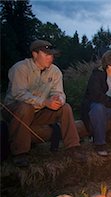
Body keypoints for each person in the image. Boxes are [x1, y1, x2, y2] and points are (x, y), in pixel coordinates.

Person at [3, 39, 85, 167]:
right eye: (46, 54)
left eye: (51, 55)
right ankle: (20, 153)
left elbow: (59, 92)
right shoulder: (20, 68)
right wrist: (45, 102)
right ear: (35, 54)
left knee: (65, 107)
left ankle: (73, 147)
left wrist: (58, 100)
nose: (50, 57)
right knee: (26, 107)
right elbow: (19, 94)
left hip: (39, 112)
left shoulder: (55, 71)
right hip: (14, 111)